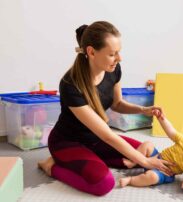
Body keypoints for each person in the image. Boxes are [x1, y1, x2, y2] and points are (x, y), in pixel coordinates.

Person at [38, 21, 174, 196]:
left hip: (96, 141)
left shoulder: (113, 70)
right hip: (68, 142)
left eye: (119, 52)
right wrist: (145, 163)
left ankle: (94, 159)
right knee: (103, 183)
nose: (119, 58)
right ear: (91, 52)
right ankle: (51, 166)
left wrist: (143, 109)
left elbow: (117, 104)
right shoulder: (70, 84)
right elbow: (107, 135)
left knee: (153, 155)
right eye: (112, 54)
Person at [119, 109, 183, 192]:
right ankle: (133, 161)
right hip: (156, 158)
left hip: (164, 172)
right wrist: (161, 118)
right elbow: (170, 131)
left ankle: (130, 180)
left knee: (152, 177)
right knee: (147, 144)